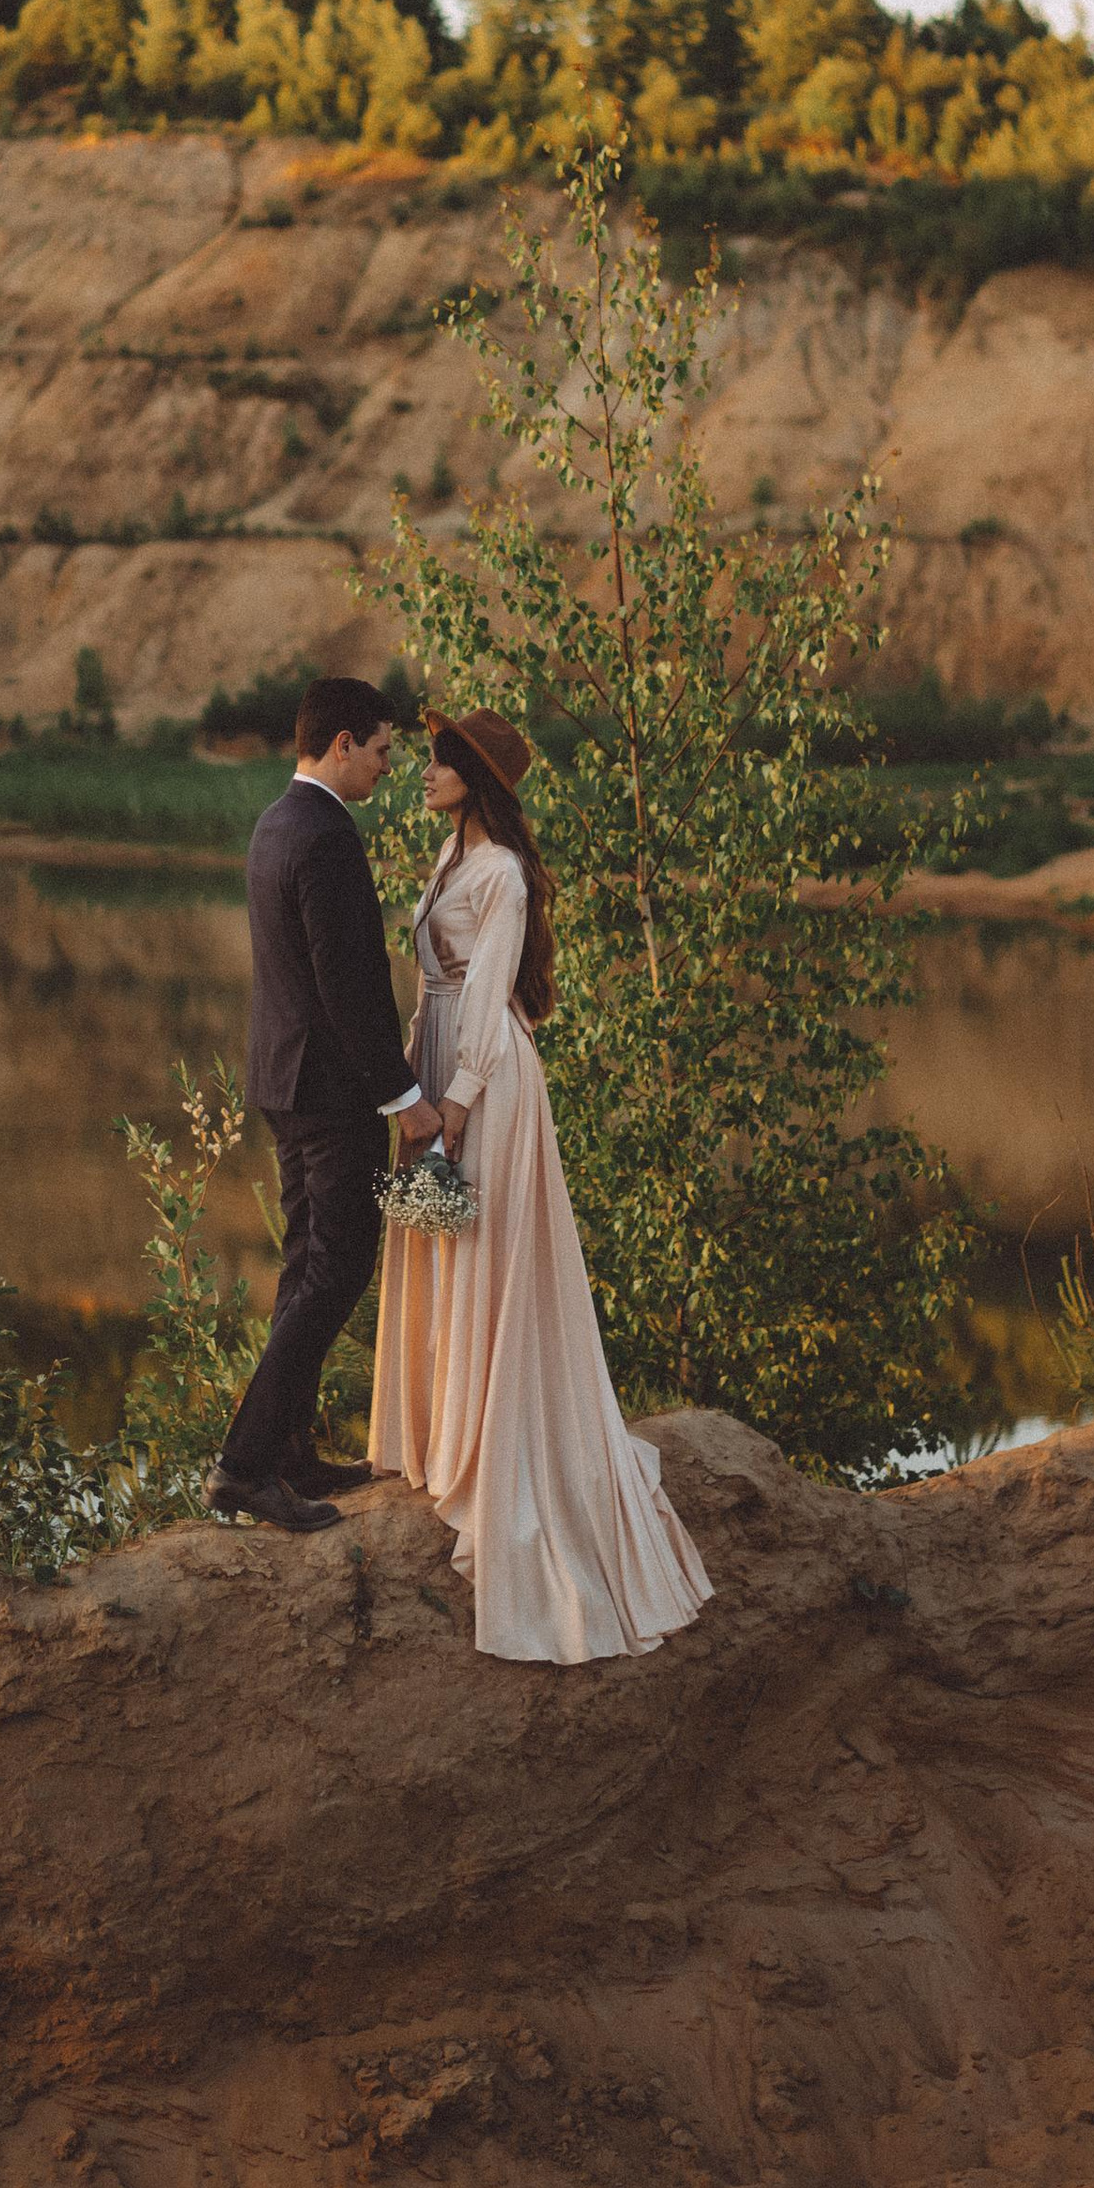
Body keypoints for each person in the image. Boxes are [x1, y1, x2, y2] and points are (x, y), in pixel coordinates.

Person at [370, 708, 711, 1664]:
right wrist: (408, 1085)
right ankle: (445, 1434)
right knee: (441, 1239)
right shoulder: (449, 858)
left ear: (477, 780)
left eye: (440, 764)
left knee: (478, 1243)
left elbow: (486, 996)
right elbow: (437, 984)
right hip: (436, 1063)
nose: (426, 773)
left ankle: (494, 1453)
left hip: (487, 1082)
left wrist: (459, 1109)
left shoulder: (504, 875)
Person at [212, 674, 440, 1533]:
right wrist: (405, 1097)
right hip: (330, 1089)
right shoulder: (329, 837)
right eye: (381, 750)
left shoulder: (276, 823)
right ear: (343, 742)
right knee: (338, 1269)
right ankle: (242, 1467)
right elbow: (348, 984)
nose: (387, 767)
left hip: (282, 1078)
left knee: (307, 1262)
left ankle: (289, 1452)